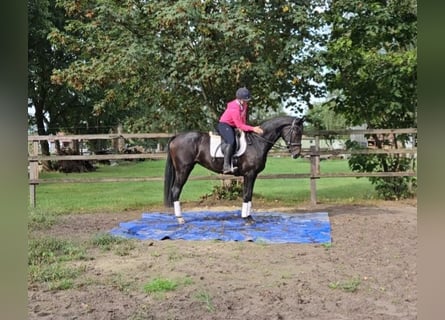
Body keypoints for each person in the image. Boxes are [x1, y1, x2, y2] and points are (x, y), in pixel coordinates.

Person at [217, 87, 264, 174]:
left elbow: (243, 119)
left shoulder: (244, 105)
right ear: (239, 99)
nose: (247, 102)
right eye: (245, 100)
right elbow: (239, 125)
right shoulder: (234, 109)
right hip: (224, 125)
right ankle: (226, 165)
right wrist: (253, 128)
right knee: (231, 141)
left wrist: (247, 128)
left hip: (233, 125)